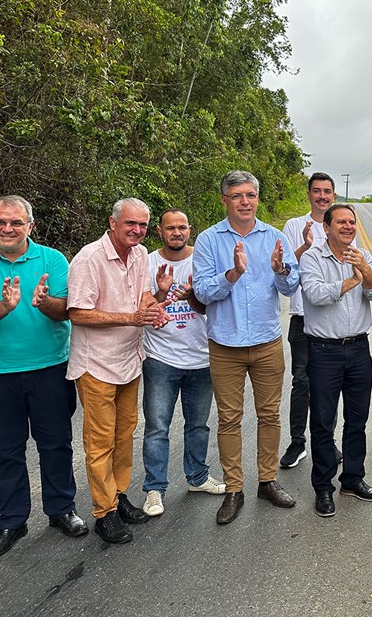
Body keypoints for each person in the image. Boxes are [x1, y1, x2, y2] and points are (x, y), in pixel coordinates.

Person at [192, 171, 301, 525]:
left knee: (270, 415)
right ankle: (234, 489)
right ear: (224, 200)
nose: (245, 201)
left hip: (267, 342)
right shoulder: (209, 240)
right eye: (237, 195)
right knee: (229, 419)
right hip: (225, 344)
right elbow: (202, 292)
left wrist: (281, 269)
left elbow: (291, 287)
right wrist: (233, 274)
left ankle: (267, 481)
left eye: (250, 195)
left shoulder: (274, 237)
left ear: (257, 198)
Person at [0, 196, 87, 559]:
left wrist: (45, 303)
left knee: (56, 443)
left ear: (30, 225)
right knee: (4, 450)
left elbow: (66, 311)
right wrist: (4, 307)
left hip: (50, 368)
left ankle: (62, 509)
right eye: (0, 222)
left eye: (16, 222)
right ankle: (12, 521)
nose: (7, 229)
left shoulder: (52, 259)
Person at [68, 197, 167, 543]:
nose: (137, 231)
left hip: (129, 361)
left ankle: (118, 495)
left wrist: (155, 307)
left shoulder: (140, 255)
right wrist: (132, 318)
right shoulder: (89, 258)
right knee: (100, 442)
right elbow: (78, 312)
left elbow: (143, 297)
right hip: (96, 365)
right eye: (130, 223)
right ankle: (104, 512)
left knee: (124, 435)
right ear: (112, 223)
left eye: (142, 225)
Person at [300, 204, 372, 517]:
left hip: (359, 348)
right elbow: (316, 294)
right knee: (323, 421)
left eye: (352, 222)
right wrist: (352, 280)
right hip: (324, 351)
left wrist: (365, 270)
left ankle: (352, 478)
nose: (348, 227)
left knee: (357, 419)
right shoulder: (312, 258)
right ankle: (323, 486)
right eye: (341, 222)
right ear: (327, 227)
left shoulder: (362, 255)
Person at [140, 209, 225, 517]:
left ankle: (198, 477)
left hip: (201, 357)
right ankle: (154, 489)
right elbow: (142, 307)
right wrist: (162, 292)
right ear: (160, 231)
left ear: (190, 230)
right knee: (157, 427)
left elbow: (214, 303)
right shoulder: (147, 262)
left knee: (198, 424)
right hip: (160, 357)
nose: (177, 232)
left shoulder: (203, 260)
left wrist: (190, 296)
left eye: (182, 227)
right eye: (170, 228)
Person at [280, 172, 336, 470]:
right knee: (301, 382)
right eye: (317, 191)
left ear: (334, 196)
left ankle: (327, 442)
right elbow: (283, 269)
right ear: (309, 194)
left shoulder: (340, 224)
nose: (322, 196)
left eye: (327, 191)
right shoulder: (294, 226)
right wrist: (304, 245)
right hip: (302, 316)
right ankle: (297, 442)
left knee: (328, 385)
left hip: (331, 317)